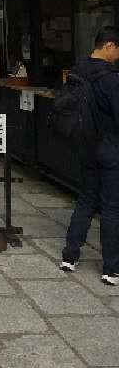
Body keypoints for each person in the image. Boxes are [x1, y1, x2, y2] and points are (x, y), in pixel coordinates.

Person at [61, 26, 119, 284]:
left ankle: (70, 256)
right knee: (111, 207)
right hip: (109, 148)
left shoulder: (77, 70)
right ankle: (110, 268)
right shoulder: (110, 79)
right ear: (108, 46)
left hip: (84, 145)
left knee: (85, 200)